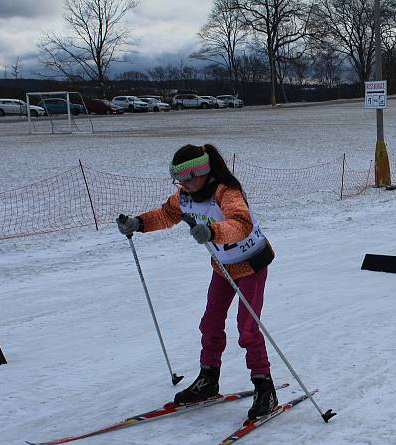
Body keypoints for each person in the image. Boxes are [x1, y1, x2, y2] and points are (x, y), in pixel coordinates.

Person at [116, 144, 278, 421]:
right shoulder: (185, 197)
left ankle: (266, 389)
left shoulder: (226, 192)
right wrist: (138, 223)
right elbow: (166, 214)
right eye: (179, 180)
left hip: (251, 264)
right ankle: (208, 379)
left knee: (248, 329)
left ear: (202, 172)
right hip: (223, 267)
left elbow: (242, 223)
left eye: (188, 179)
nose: (184, 185)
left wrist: (212, 231)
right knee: (210, 323)